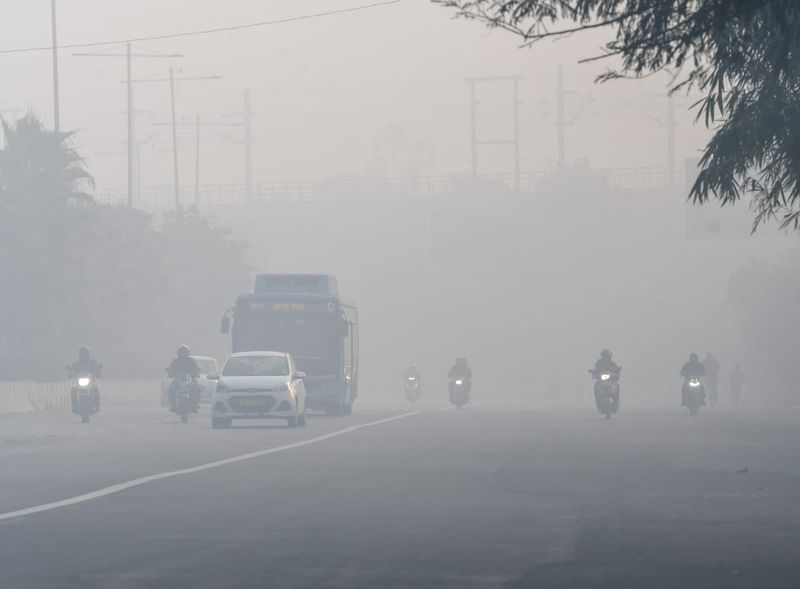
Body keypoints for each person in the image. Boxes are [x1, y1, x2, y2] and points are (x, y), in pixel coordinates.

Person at [69, 346, 102, 414]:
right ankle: (74, 406)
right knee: (73, 390)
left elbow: (97, 369)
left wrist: (98, 373)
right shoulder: (76, 363)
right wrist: (70, 374)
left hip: (90, 382)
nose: (84, 355)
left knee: (96, 389)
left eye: (85, 353)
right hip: (79, 383)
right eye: (82, 353)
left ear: (88, 354)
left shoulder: (92, 362)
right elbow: (72, 370)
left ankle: (97, 405)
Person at [166, 345, 200, 411]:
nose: (183, 353)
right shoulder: (175, 361)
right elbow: (171, 369)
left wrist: (197, 371)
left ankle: (195, 405)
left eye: (184, 352)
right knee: (171, 389)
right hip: (177, 379)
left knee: (197, 388)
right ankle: (173, 405)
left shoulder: (191, 360)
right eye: (181, 352)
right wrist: (169, 372)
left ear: (187, 352)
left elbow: (196, 368)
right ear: (178, 353)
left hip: (190, 379)